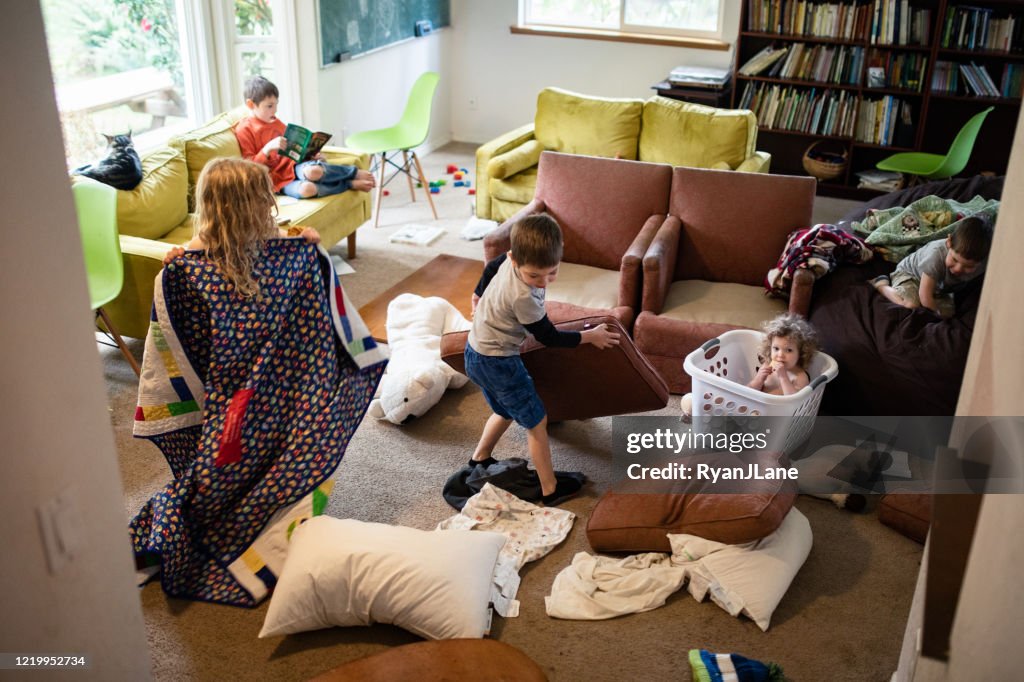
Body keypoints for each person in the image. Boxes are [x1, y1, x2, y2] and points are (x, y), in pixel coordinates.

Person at [465, 213, 620, 505]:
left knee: (505, 410)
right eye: (534, 275)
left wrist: (477, 294)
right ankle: (550, 489)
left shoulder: (507, 261)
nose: (542, 282)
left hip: (475, 351)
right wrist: (590, 337)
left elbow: (493, 265)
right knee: (537, 422)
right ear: (515, 259)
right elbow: (548, 336)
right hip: (499, 361)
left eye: (551, 273)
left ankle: (479, 459)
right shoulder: (523, 296)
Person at [163, 157, 321, 297]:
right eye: (262, 198)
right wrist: (176, 262)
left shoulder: (266, 229)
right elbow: (190, 286)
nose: (272, 203)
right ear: (235, 207)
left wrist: (304, 237)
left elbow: (290, 240)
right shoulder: (204, 244)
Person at [234, 75, 375, 200]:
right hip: (276, 180)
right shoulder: (244, 129)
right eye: (269, 106)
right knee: (308, 189)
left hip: (295, 167)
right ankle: (348, 183)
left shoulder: (275, 122)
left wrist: (309, 154)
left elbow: (293, 152)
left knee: (313, 171)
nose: (275, 110)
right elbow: (250, 169)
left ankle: (353, 172)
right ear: (251, 104)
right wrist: (267, 148)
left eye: (276, 104)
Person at [681, 313, 819, 420]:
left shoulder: (800, 376)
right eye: (776, 348)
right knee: (693, 399)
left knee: (752, 418)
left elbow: (794, 404)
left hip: (770, 417)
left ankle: (725, 426)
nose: (780, 355)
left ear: (801, 353)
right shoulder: (767, 365)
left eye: (788, 350)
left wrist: (783, 377)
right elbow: (749, 391)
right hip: (748, 406)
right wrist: (759, 379)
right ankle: (694, 412)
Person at [870, 216, 992, 319]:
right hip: (910, 275)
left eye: (968, 266)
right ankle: (881, 285)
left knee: (950, 313)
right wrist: (936, 315)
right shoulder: (935, 256)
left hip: (939, 288)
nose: (958, 269)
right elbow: (925, 296)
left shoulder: (985, 263)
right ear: (949, 243)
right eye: (954, 259)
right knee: (911, 305)